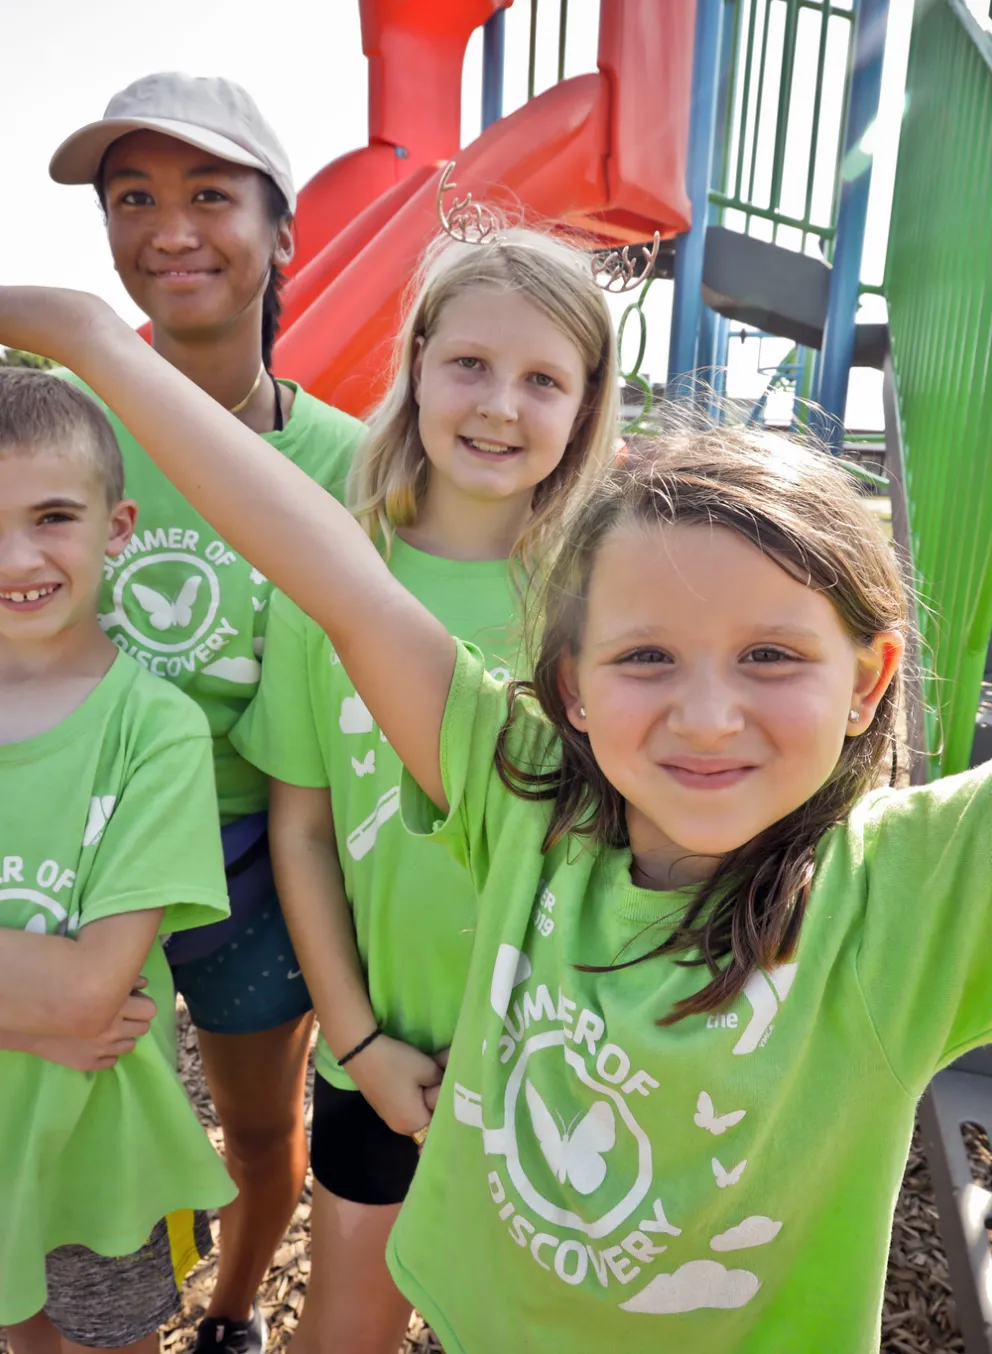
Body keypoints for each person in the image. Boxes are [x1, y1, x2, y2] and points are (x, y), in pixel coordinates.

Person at [8, 261, 992, 1354]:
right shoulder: (522, 801)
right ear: (564, 684)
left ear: (866, 683)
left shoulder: (908, 896)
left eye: (769, 655)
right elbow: (326, 565)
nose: (706, 716)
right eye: (646, 656)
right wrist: (94, 339)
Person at [229, 224, 619, 1352]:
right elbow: (299, 831)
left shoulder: (612, 593)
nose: (500, 404)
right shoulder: (332, 580)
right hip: (387, 1056)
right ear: (414, 370)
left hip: (570, 1060)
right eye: (469, 365)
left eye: (541, 378)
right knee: (343, 1330)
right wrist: (354, 1044)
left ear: (584, 405)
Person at [46, 73, 364, 1352]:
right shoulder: (67, 428)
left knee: (252, 1122)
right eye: (134, 198)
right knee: (65, 1103)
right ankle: (63, 1314)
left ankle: (228, 1313)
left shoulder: (351, 463)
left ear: (284, 230)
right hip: (79, 840)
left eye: (208, 194)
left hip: (253, 847)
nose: (169, 227)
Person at [0, 368, 234, 1354]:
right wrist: (32, 1017)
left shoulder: (156, 730)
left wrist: (61, 1011)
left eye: (54, 514)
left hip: (100, 1142)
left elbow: (95, 992)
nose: (19, 555)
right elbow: (58, 1005)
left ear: (118, 525)